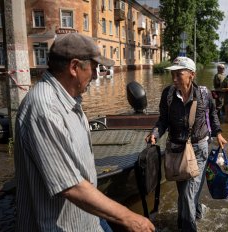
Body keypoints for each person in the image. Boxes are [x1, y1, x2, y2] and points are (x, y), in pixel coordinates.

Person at [14, 33, 155, 232]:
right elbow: (70, 186)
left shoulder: (70, 100)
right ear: (74, 67)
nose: (97, 75)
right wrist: (128, 217)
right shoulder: (44, 108)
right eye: (95, 68)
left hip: (87, 219)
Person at [145, 56, 227, 232]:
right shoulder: (168, 94)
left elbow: (212, 115)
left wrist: (218, 133)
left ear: (192, 75)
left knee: (187, 195)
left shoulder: (204, 94)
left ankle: (188, 227)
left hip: (199, 150)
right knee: (184, 193)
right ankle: (198, 212)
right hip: (176, 151)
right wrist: (155, 133)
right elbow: (163, 121)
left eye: (178, 74)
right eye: (172, 74)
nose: (174, 78)